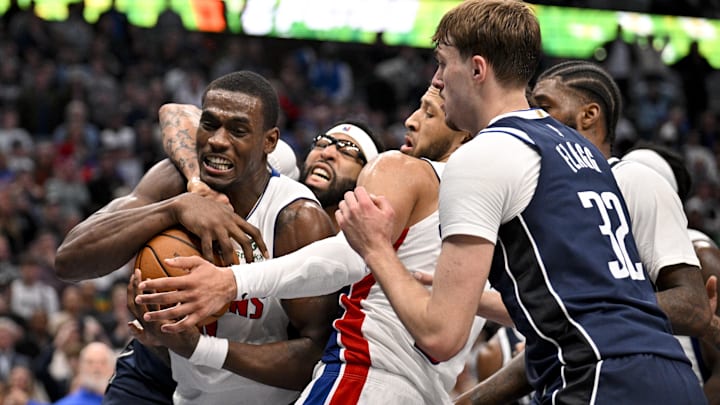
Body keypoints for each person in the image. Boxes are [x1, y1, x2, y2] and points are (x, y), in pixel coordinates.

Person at [334, 1, 705, 403]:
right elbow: (573, 300)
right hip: (673, 376)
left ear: (477, 69)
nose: (438, 81)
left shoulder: (483, 155)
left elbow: (441, 335)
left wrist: (375, 246)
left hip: (598, 379)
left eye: (443, 64)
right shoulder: (583, 152)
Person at [134, 84, 483, 404]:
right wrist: (196, 182)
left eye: (348, 149)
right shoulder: (281, 179)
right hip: (185, 378)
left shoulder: (398, 188)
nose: (328, 152)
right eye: (322, 142)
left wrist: (228, 287)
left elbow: (344, 261)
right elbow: (178, 114)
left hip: (357, 379)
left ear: (369, 178)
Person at [55, 70, 339, 404]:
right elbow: (68, 260)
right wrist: (173, 209)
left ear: (269, 142)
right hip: (165, 378)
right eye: (210, 124)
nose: (218, 140)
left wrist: (198, 347)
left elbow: (313, 358)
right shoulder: (174, 180)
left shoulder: (296, 220)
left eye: (238, 130)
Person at [455, 59, 719, 403]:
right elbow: (563, 337)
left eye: (544, 106)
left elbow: (693, 307)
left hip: (639, 378)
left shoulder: (631, 179)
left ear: (589, 115)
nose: (535, 116)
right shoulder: (545, 191)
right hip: (584, 375)